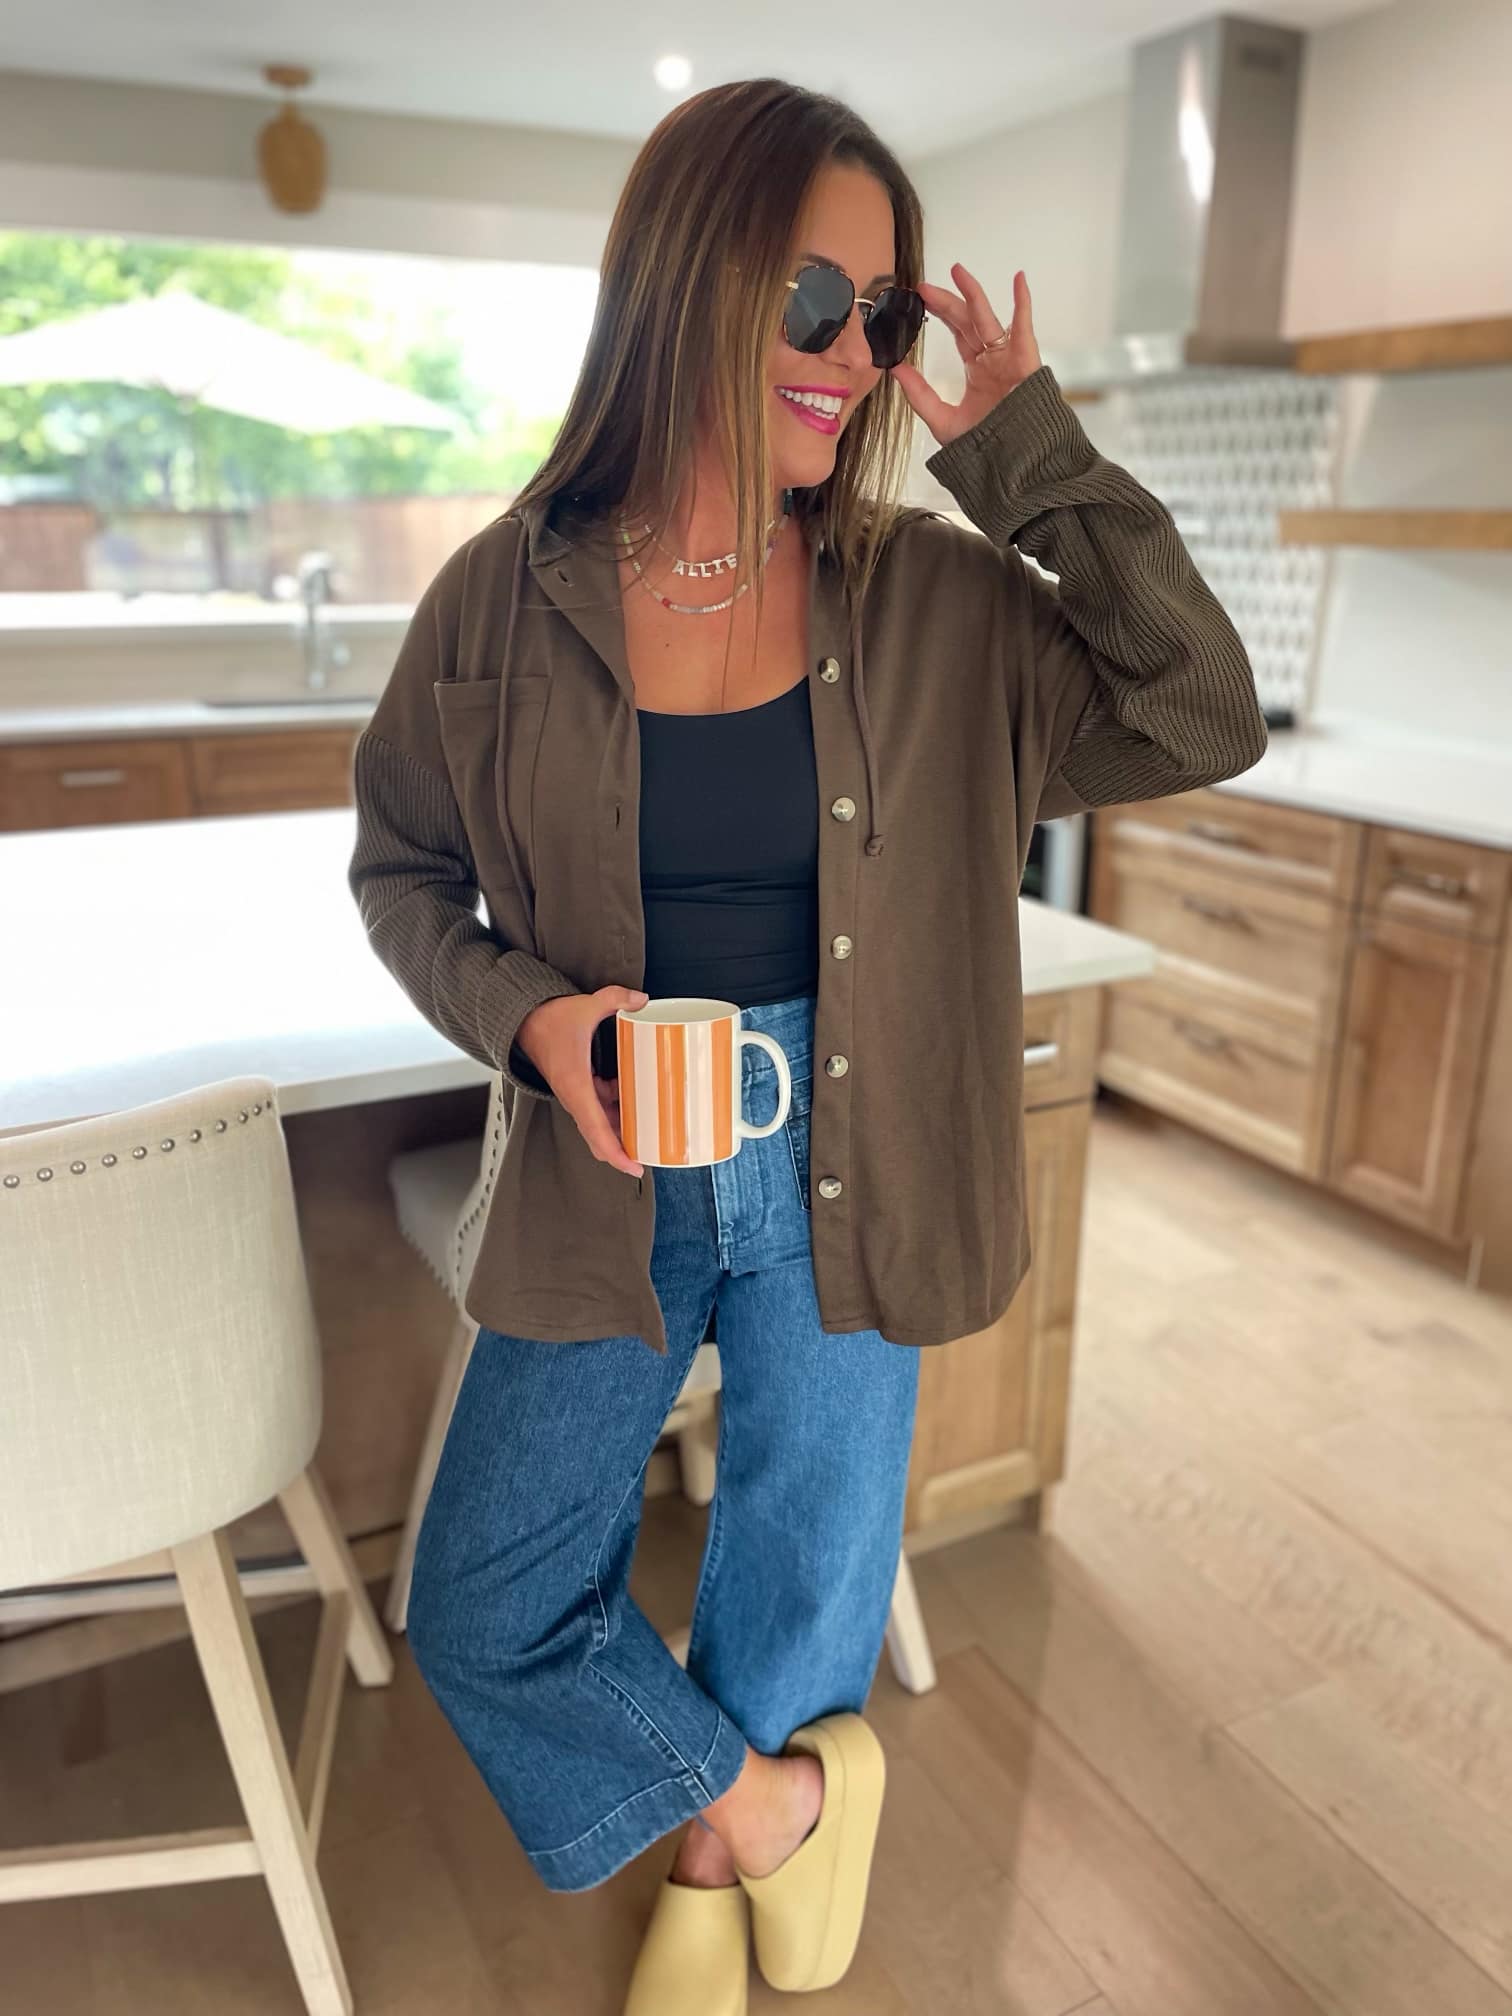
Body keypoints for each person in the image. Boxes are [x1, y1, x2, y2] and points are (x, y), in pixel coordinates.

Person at [347, 75, 1267, 2016]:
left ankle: (710, 1861)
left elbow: (1199, 709)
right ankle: (769, 1809)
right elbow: (402, 872)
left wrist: (1022, 449)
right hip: (608, 1154)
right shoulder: (498, 599)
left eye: (886, 313)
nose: (853, 355)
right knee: (486, 1600)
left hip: (867, 1137)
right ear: (681, 282)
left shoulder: (940, 599)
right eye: (811, 302)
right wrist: (531, 1021)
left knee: (802, 1558)